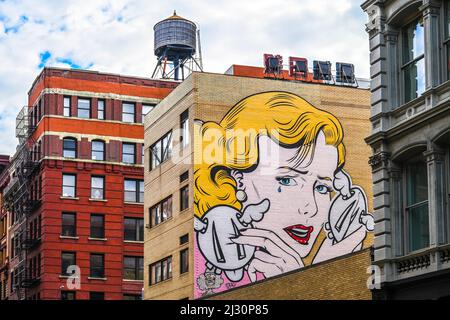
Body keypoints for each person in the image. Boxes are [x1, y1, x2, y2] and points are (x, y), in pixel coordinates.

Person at [194, 91, 373, 295]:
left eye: (322, 188)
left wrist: (318, 275)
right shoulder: (213, 263)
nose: (311, 209)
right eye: (287, 180)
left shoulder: (319, 258)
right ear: (237, 181)